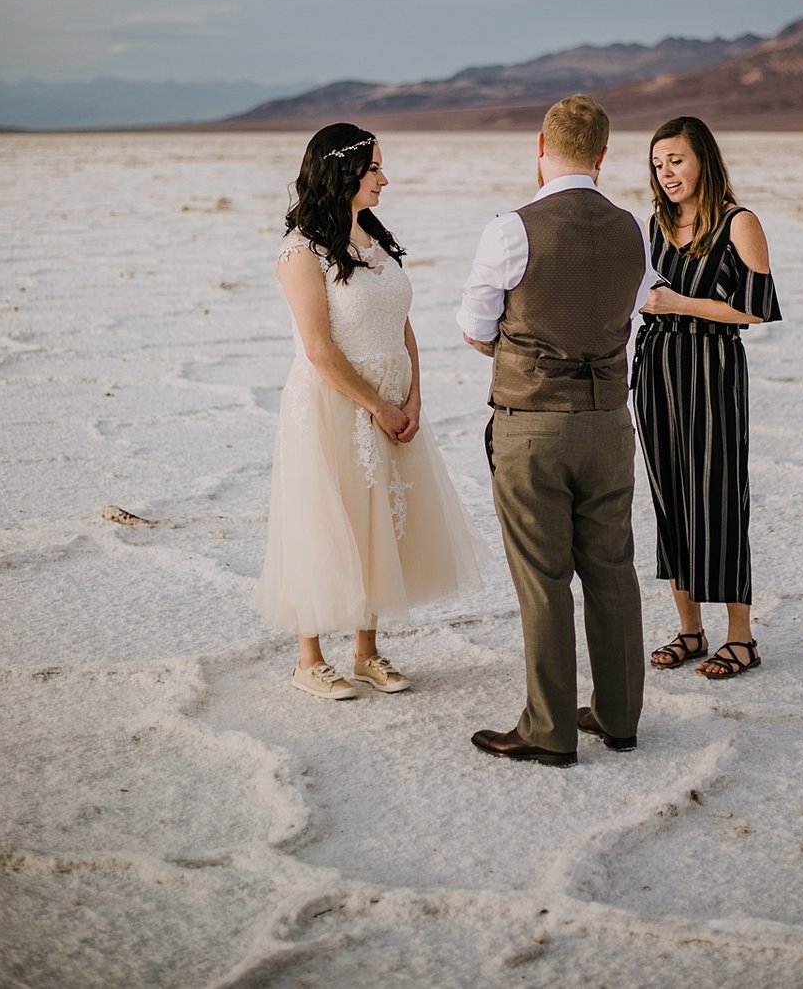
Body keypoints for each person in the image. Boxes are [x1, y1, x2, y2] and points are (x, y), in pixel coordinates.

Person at [458, 95, 656, 765]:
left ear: (539, 148)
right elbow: (628, 313)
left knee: (543, 577)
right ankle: (618, 715)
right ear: (603, 155)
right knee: (613, 568)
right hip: (609, 425)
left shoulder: (511, 230)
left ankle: (548, 731)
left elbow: (475, 329)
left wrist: (525, 354)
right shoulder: (634, 228)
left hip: (533, 427)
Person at [256, 123, 483, 699]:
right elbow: (318, 347)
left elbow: (401, 323)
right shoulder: (300, 250)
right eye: (375, 168)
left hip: (391, 399)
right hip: (333, 402)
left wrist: (412, 397)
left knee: (379, 518)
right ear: (344, 173)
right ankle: (309, 658)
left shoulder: (374, 238)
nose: (385, 178)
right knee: (324, 517)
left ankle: (366, 651)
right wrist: (377, 404)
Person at [632, 115, 781, 680]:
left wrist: (678, 305)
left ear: (704, 161)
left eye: (676, 161)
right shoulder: (654, 224)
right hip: (657, 368)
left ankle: (740, 639)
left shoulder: (740, 223)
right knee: (669, 496)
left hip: (713, 368)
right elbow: (645, 297)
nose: (667, 173)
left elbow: (755, 309)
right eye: (657, 164)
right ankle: (690, 630)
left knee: (717, 496)